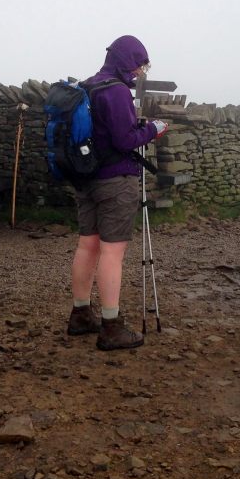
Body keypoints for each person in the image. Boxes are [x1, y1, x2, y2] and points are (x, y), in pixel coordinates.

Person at [66, 35, 168, 351]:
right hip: (115, 180)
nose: (140, 71)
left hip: (87, 178)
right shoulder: (117, 91)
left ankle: (81, 313)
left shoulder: (89, 86)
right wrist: (154, 128)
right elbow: (125, 140)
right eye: (139, 64)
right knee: (112, 251)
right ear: (126, 61)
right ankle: (111, 327)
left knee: (88, 245)